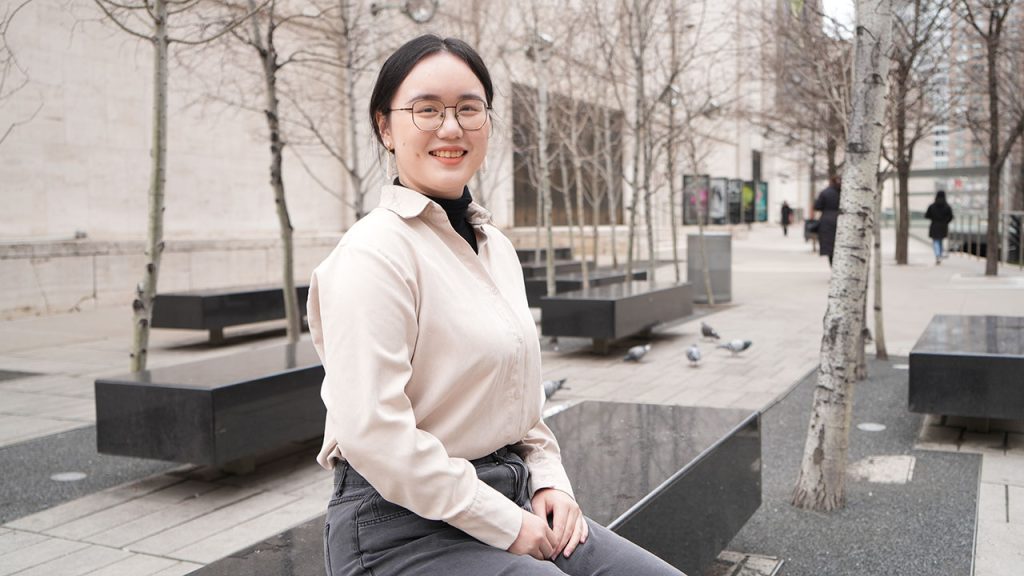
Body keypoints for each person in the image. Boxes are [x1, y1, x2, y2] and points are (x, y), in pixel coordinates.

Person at [307, 35, 686, 576]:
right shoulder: (373, 253)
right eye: (426, 109)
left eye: (469, 108)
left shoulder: (495, 247)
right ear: (385, 128)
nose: (451, 127)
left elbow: (519, 402)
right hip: (396, 526)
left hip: (511, 493)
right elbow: (374, 436)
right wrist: (505, 524)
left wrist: (550, 479)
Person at [813, 176, 842, 266]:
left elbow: (817, 206)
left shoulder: (825, 192)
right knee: (842, 247)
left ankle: (834, 271)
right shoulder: (846, 193)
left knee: (830, 249)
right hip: (842, 220)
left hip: (827, 221)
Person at [925, 190, 954, 264]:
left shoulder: (932, 206)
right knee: (940, 241)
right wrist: (945, 221)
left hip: (934, 225)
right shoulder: (947, 206)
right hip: (943, 226)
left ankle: (938, 255)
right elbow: (951, 217)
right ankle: (939, 255)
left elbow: (927, 215)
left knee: (936, 241)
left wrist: (933, 218)